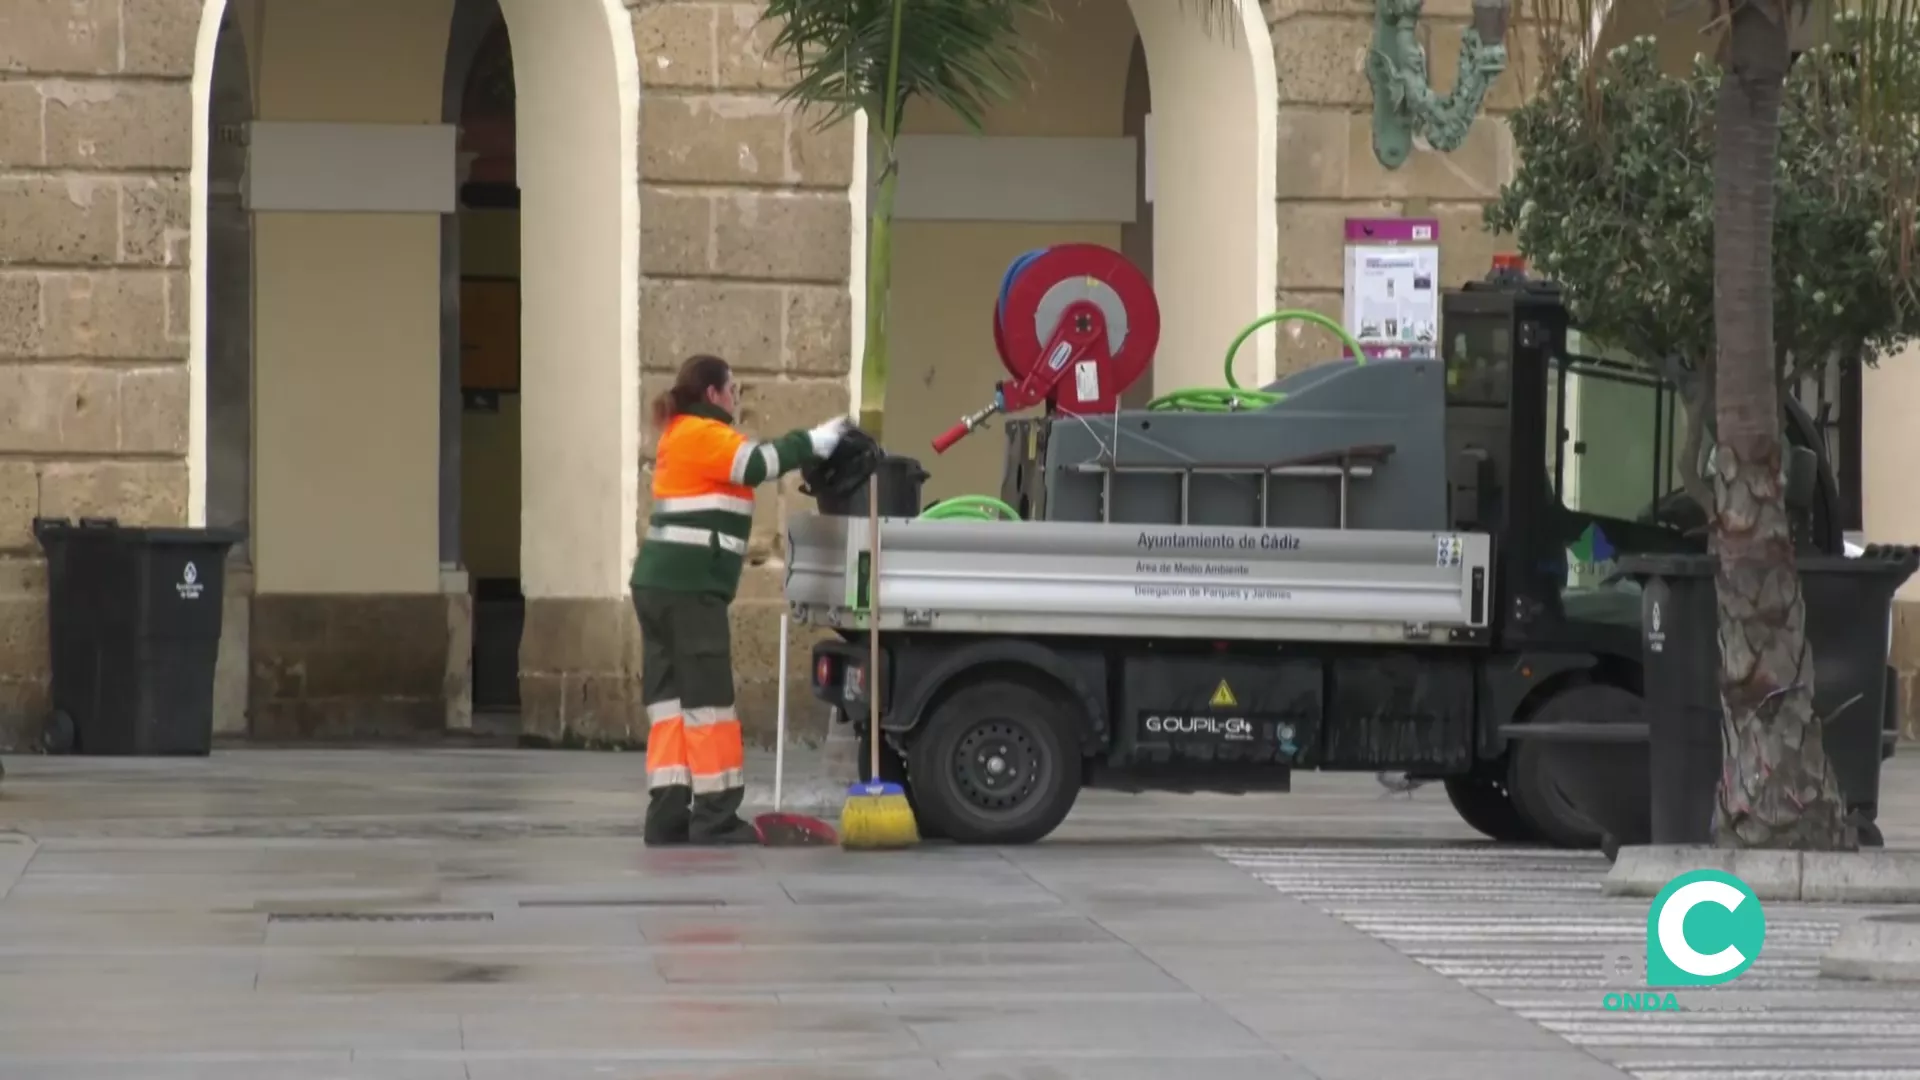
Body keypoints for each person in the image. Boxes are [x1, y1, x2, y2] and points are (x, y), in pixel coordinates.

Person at [633, 354, 851, 845]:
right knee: (709, 705)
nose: (736, 399)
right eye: (733, 389)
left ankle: (667, 814)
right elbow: (757, 464)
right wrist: (814, 441)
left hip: (660, 585)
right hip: (689, 589)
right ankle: (714, 816)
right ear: (712, 393)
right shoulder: (702, 433)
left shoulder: (679, 432)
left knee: (668, 706)